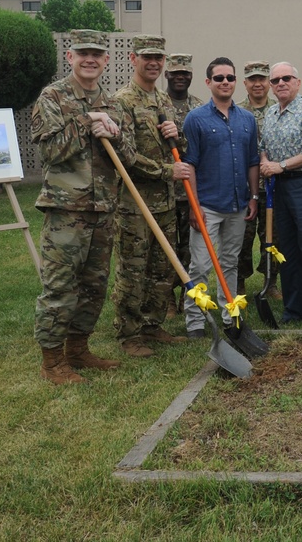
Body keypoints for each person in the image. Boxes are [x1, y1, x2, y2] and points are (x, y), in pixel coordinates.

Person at [31, 29, 135, 384]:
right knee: (61, 286)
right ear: (70, 57)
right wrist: (87, 122)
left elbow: (130, 158)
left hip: (103, 210)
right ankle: (52, 361)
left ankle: (78, 349)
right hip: (66, 211)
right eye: (82, 53)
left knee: (94, 287)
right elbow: (49, 152)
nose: (89, 59)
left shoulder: (115, 104)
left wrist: (116, 136)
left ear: (106, 60)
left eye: (97, 54)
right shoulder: (53, 97)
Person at [110, 35, 192, 357]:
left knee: (162, 269)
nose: (154, 63)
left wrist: (178, 135)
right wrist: (166, 171)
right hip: (135, 203)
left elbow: (179, 150)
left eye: (159, 57)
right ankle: (129, 334)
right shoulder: (123, 101)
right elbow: (124, 155)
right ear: (134, 59)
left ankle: (152, 325)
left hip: (166, 203)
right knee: (133, 269)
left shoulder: (164, 101)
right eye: (147, 57)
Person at [181, 57, 261, 340]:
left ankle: (230, 314)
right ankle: (195, 321)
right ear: (208, 83)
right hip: (207, 206)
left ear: (235, 81)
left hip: (238, 205)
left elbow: (253, 161)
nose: (225, 82)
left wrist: (253, 197)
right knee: (201, 265)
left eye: (229, 78)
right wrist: (193, 204)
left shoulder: (247, 119)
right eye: (219, 78)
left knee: (230, 263)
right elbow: (189, 163)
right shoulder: (195, 119)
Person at [259, 62, 302, 326]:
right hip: (279, 188)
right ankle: (293, 308)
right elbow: (263, 145)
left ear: (297, 82)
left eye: (286, 78)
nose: (280, 84)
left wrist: (281, 165)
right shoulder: (270, 114)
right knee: (287, 250)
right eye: (275, 80)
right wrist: (266, 162)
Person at [164, 53, 204, 319]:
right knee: (165, 249)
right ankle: (166, 299)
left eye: (185, 73)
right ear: (167, 75)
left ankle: (185, 298)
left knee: (189, 250)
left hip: (190, 191)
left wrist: (196, 201)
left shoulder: (200, 108)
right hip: (163, 191)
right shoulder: (158, 104)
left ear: (191, 76)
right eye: (175, 72)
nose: (180, 77)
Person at [237, 60, 281, 300]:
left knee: (272, 237)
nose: (257, 84)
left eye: (262, 79)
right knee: (242, 238)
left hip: (274, 187)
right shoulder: (236, 111)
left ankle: (270, 282)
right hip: (244, 189)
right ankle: (239, 282)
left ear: (269, 83)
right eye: (252, 79)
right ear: (245, 83)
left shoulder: (279, 109)